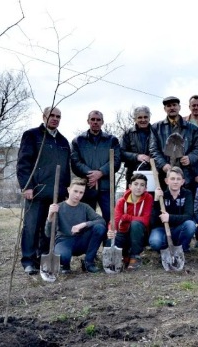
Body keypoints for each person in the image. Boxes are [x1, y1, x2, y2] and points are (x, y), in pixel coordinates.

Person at [16, 107, 71, 274]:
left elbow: (66, 167)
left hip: (56, 194)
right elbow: (23, 163)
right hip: (37, 191)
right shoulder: (32, 135)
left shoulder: (62, 141)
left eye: (58, 116)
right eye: (51, 116)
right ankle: (28, 261)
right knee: (31, 227)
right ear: (44, 116)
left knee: (49, 228)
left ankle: (43, 258)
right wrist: (27, 186)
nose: (55, 119)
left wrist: (66, 189)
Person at [45, 178, 107, 274]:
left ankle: (88, 262)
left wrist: (84, 224)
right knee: (63, 257)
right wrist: (50, 216)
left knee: (99, 228)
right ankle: (65, 266)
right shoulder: (58, 207)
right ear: (69, 190)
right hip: (64, 241)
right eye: (75, 191)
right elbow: (49, 234)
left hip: (81, 240)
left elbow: (101, 221)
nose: (78, 195)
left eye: (81, 192)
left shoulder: (85, 207)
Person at [71, 110, 121, 225]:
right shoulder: (78, 141)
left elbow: (116, 161)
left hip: (106, 188)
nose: (95, 122)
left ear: (102, 122)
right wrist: (91, 174)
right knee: (86, 220)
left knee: (110, 219)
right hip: (86, 187)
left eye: (98, 120)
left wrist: (101, 172)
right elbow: (75, 162)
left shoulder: (112, 140)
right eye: (92, 119)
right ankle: (88, 243)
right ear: (88, 121)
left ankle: (109, 243)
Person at [150, 96, 198, 193]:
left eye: (174, 105)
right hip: (164, 174)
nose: (172, 108)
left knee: (185, 202)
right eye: (168, 106)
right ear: (165, 109)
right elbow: (153, 149)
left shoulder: (192, 128)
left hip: (186, 174)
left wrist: (190, 158)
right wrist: (163, 164)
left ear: (179, 107)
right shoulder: (156, 128)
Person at [149, 167, 197, 255]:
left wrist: (169, 217)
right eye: (172, 179)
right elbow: (153, 221)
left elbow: (188, 216)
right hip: (162, 229)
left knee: (190, 225)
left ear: (182, 181)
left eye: (178, 179)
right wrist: (156, 201)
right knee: (156, 242)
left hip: (179, 229)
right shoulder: (161, 195)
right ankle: (166, 249)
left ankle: (181, 248)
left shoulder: (187, 194)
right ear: (166, 181)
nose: (175, 182)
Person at [113, 173, 153, 270]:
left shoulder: (148, 198)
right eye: (136, 184)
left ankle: (135, 256)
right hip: (124, 232)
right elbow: (116, 219)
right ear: (130, 186)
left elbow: (146, 220)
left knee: (136, 224)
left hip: (139, 235)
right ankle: (124, 256)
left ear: (145, 188)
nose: (138, 187)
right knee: (112, 237)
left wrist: (127, 217)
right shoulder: (121, 201)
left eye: (142, 185)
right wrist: (112, 230)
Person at [121, 106, 153, 185]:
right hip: (133, 173)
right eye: (140, 117)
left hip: (153, 172)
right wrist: (137, 157)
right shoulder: (128, 133)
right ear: (135, 119)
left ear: (149, 118)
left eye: (145, 117)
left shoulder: (156, 132)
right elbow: (121, 153)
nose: (143, 120)